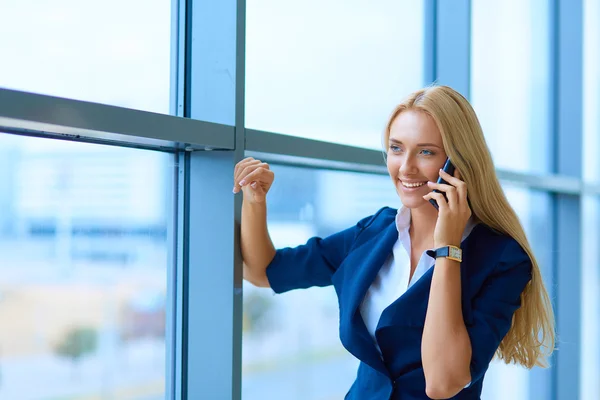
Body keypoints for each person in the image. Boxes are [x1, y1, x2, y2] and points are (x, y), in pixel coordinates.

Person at [234, 85, 555, 400]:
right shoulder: (374, 232)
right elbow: (265, 271)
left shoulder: (502, 258)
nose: (405, 167)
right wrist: (255, 200)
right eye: (397, 148)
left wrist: (448, 249)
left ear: (458, 163)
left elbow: (443, 383)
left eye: (426, 152)